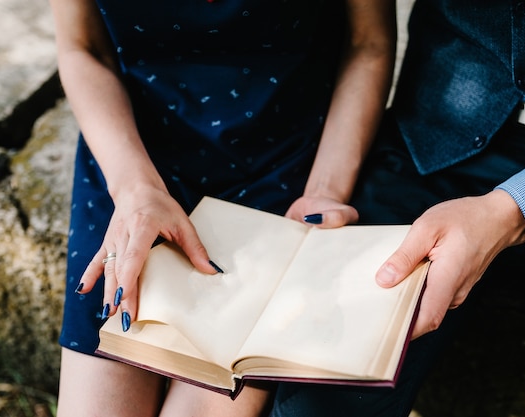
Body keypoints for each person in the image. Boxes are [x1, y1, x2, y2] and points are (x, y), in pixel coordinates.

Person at [267, 1, 525, 416]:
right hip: (427, 144)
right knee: (321, 389)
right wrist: (325, 190)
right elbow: (366, 38)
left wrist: (516, 208)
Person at [49, 0, 396, 415]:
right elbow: (82, 48)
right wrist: (134, 189)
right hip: (131, 160)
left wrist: (325, 191)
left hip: (286, 171)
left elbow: (368, 43)